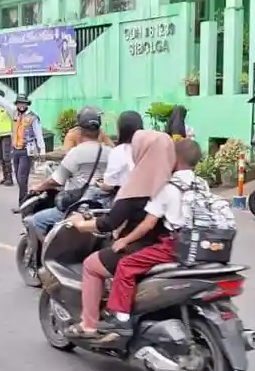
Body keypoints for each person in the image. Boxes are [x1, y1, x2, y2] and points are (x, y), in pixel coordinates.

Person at [97, 139, 234, 338]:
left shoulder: (168, 187)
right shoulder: (201, 183)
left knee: (126, 266)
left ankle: (121, 319)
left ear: (174, 159)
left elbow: (148, 224)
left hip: (176, 245)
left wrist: (124, 241)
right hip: (203, 244)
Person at [65, 130, 175, 338]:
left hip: (137, 248)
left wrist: (81, 224)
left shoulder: (139, 184)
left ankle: (89, 324)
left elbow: (109, 223)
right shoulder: (175, 182)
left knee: (90, 265)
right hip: (167, 248)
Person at [26, 106, 111, 239]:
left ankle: (45, 257)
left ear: (80, 131)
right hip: (103, 208)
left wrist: (38, 187)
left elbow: (55, 180)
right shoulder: (110, 152)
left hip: (79, 207)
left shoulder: (76, 153)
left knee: (37, 220)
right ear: (99, 130)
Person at [0, 84, 44, 203]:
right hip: (15, 150)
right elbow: (4, 102)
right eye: (19, 103)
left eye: (23, 103)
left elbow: (39, 134)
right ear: (17, 104)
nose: (21, 105)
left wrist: (42, 150)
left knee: (22, 178)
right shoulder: (14, 113)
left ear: (27, 104)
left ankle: (22, 203)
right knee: (18, 177)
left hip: (26, 151)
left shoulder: (33, 117)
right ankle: (27, 200)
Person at [99, 111, 143, 196]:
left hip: (126, 198)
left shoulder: (119, 151)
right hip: (149, 198)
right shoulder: (149, 148)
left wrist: (101, 185)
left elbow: (109, 185)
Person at [0, 89, 14, 186]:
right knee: (0, 157)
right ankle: (5, 177)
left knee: (6, 157)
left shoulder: (7, 108)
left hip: (6, 135)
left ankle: (9, 179)